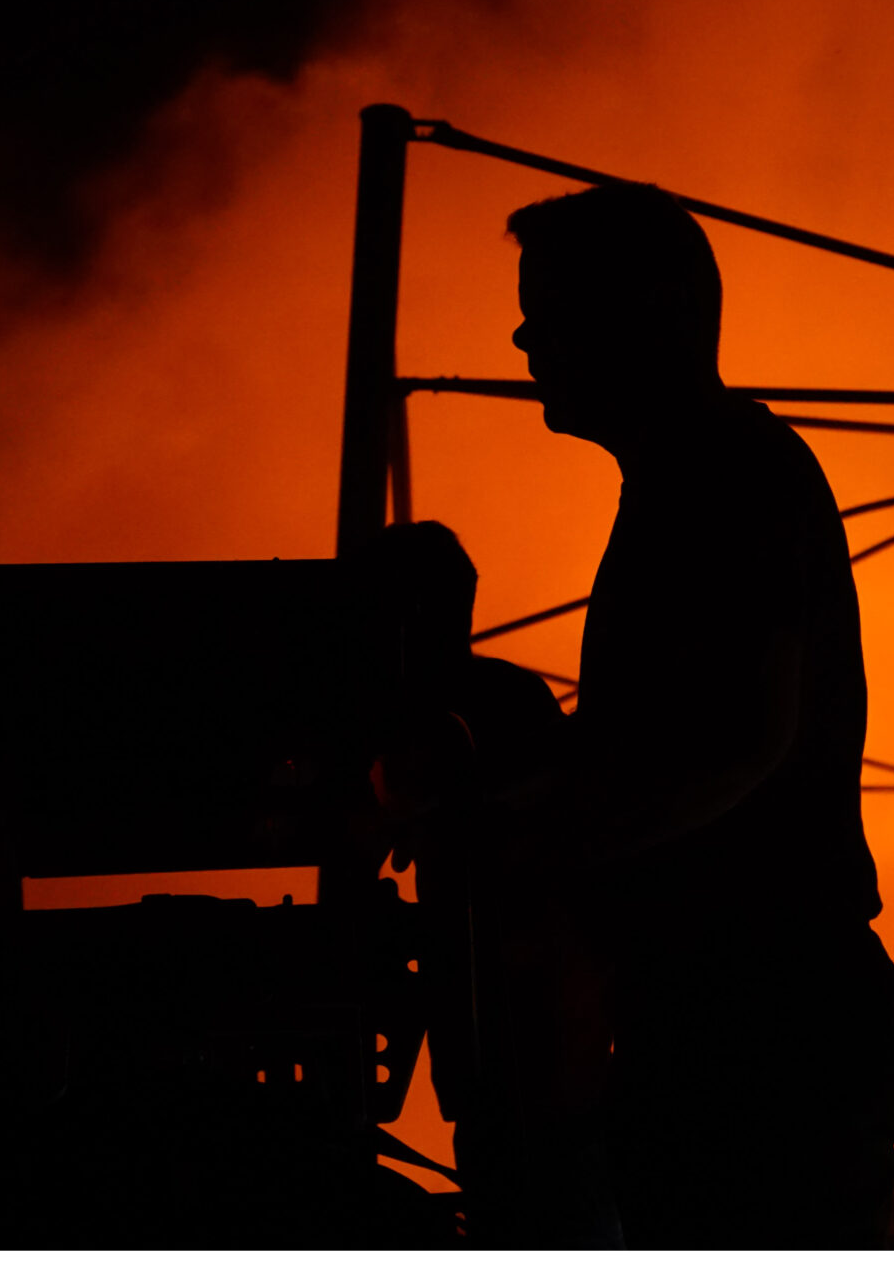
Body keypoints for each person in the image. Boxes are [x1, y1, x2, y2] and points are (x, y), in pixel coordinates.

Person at [499, 183, 894, 1248]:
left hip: (757, 1021)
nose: (521, 336)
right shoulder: (701, 476)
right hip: (753, 1011)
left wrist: (537, 846)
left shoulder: (723, 479)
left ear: (638, 316)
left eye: (547, 308)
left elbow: (736, 740)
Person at [361, 520, 622, 1247]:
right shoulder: (504, 701)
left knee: (544, 1199)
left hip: (525, 1029)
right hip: (528, 1034)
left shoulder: (455, 721)